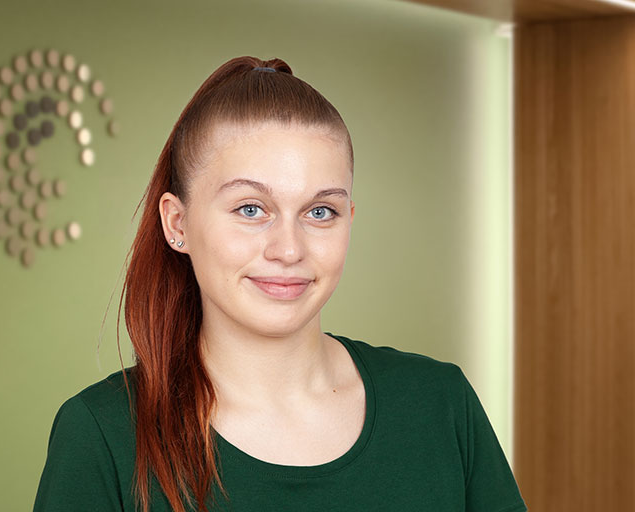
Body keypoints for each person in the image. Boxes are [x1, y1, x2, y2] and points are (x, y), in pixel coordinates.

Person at [33, 56, 528, 512]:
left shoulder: (441, 404)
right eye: (251, 209)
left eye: (321, 212)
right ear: (177, 223)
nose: (289, 250)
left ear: (349, 219)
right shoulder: (101, 434)